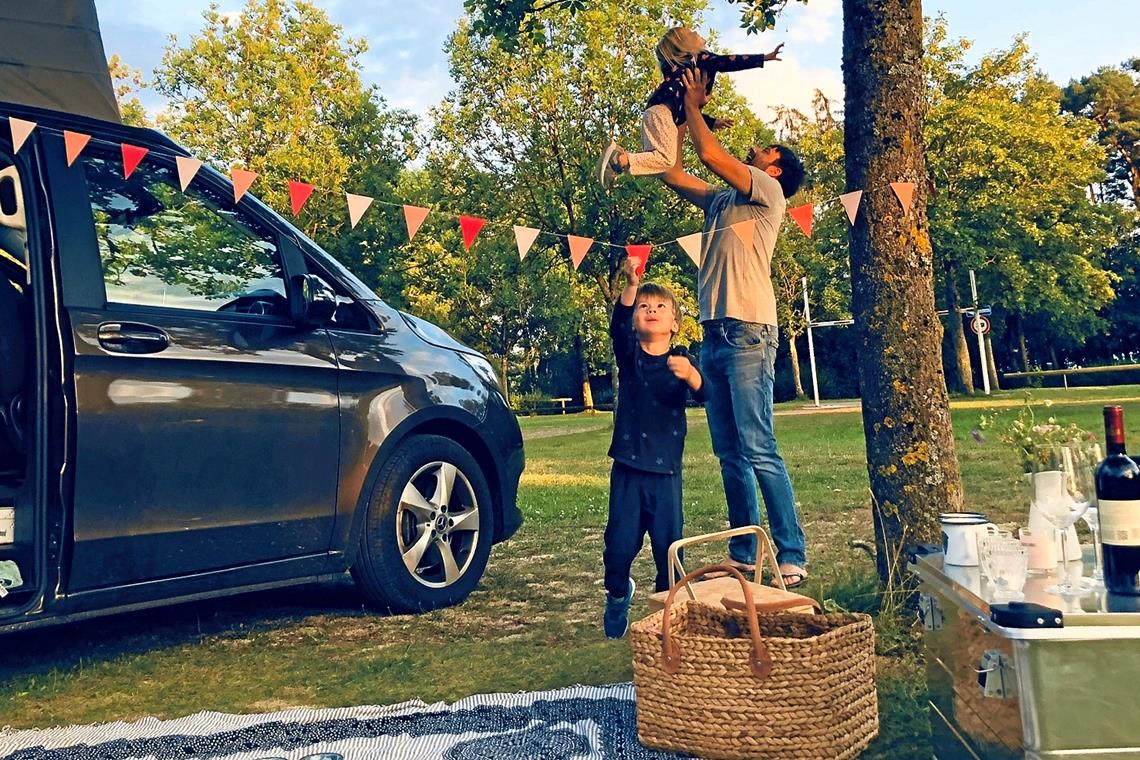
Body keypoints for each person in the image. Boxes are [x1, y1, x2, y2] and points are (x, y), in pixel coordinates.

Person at [660, 66, 809, 588]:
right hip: (714, 332)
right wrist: (679, 117)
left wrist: (696, 105)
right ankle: (745, 549)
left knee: (757, 444)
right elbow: (674, 173)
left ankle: (790, 551)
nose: (758, 148)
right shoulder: (724, 199)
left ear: (776, 167)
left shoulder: (768, 191)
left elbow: (711, 155)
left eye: (767, 147)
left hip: (749, 332)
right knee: (729, 453)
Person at [602, 257, 706, 638]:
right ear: (635, 320)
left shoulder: (682, 361)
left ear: (675, 324)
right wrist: (631, 282)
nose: (651, 310)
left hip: (666, 475)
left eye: (661, 307)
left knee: (669, 550)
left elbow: (706, 393)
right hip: (629, 469)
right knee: (618, 548)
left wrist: (693, 377)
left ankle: (668, 620)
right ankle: (617, 596)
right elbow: (617, 327)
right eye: (644, 307)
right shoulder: (630, 358)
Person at [596, 26, 783, 189]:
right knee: (666, 161)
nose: (696, 32)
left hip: (658, 114)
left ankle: (617, 164)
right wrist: (763, 58)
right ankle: (620, 159)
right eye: (691, 32)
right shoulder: (698, 59)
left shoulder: (683, 70)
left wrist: (712, 121)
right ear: (685, 46)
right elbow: (727, 61)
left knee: (660, 164)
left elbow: (687, 108)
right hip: (663, 116)